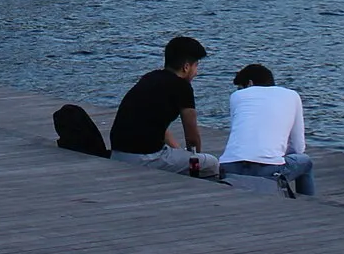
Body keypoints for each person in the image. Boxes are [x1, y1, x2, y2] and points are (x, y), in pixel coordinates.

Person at [109, 36, 221, 177]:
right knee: (212, 163)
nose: (196, 72)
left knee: (175, 154)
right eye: (196, 66)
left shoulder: (150, 77)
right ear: (186, 67)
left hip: (118, 154)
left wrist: (179, 152)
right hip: (145, 158)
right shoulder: (182, 87)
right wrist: (195, 159)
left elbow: (158, 126)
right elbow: (192, 137)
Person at [219, 63, 316, 195]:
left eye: (240, 87)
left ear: (250, 83)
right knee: (306, 162)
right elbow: (298, 148)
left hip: (229, 166)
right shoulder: (292, 95)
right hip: (269, 170)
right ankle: (307, 202)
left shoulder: (237, 96)